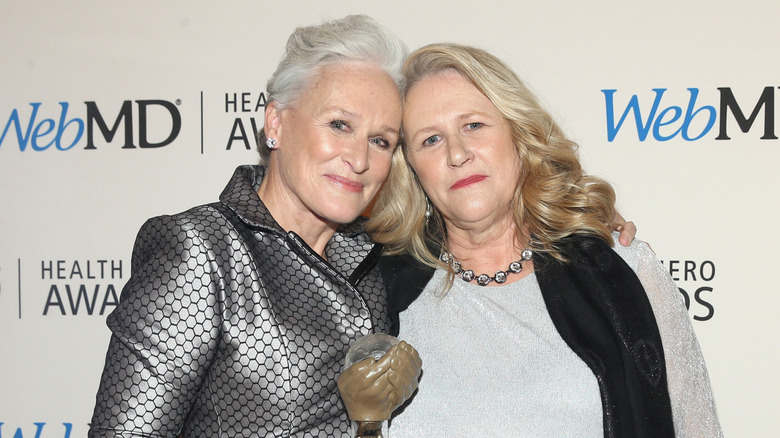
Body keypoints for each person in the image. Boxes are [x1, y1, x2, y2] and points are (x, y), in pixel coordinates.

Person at [88, 15, 422, 437]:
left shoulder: (373, 267)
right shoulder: (202, 252)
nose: (359, 160)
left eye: (380, 141)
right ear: (276, 123)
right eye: (339, 125)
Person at [367, 43, 722, 437]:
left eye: (473, 125)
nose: (457, 153)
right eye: (430, 139)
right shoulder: (376, 290)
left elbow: (696, 427)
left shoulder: (619, 271)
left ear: (518, 135)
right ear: (411, 169)